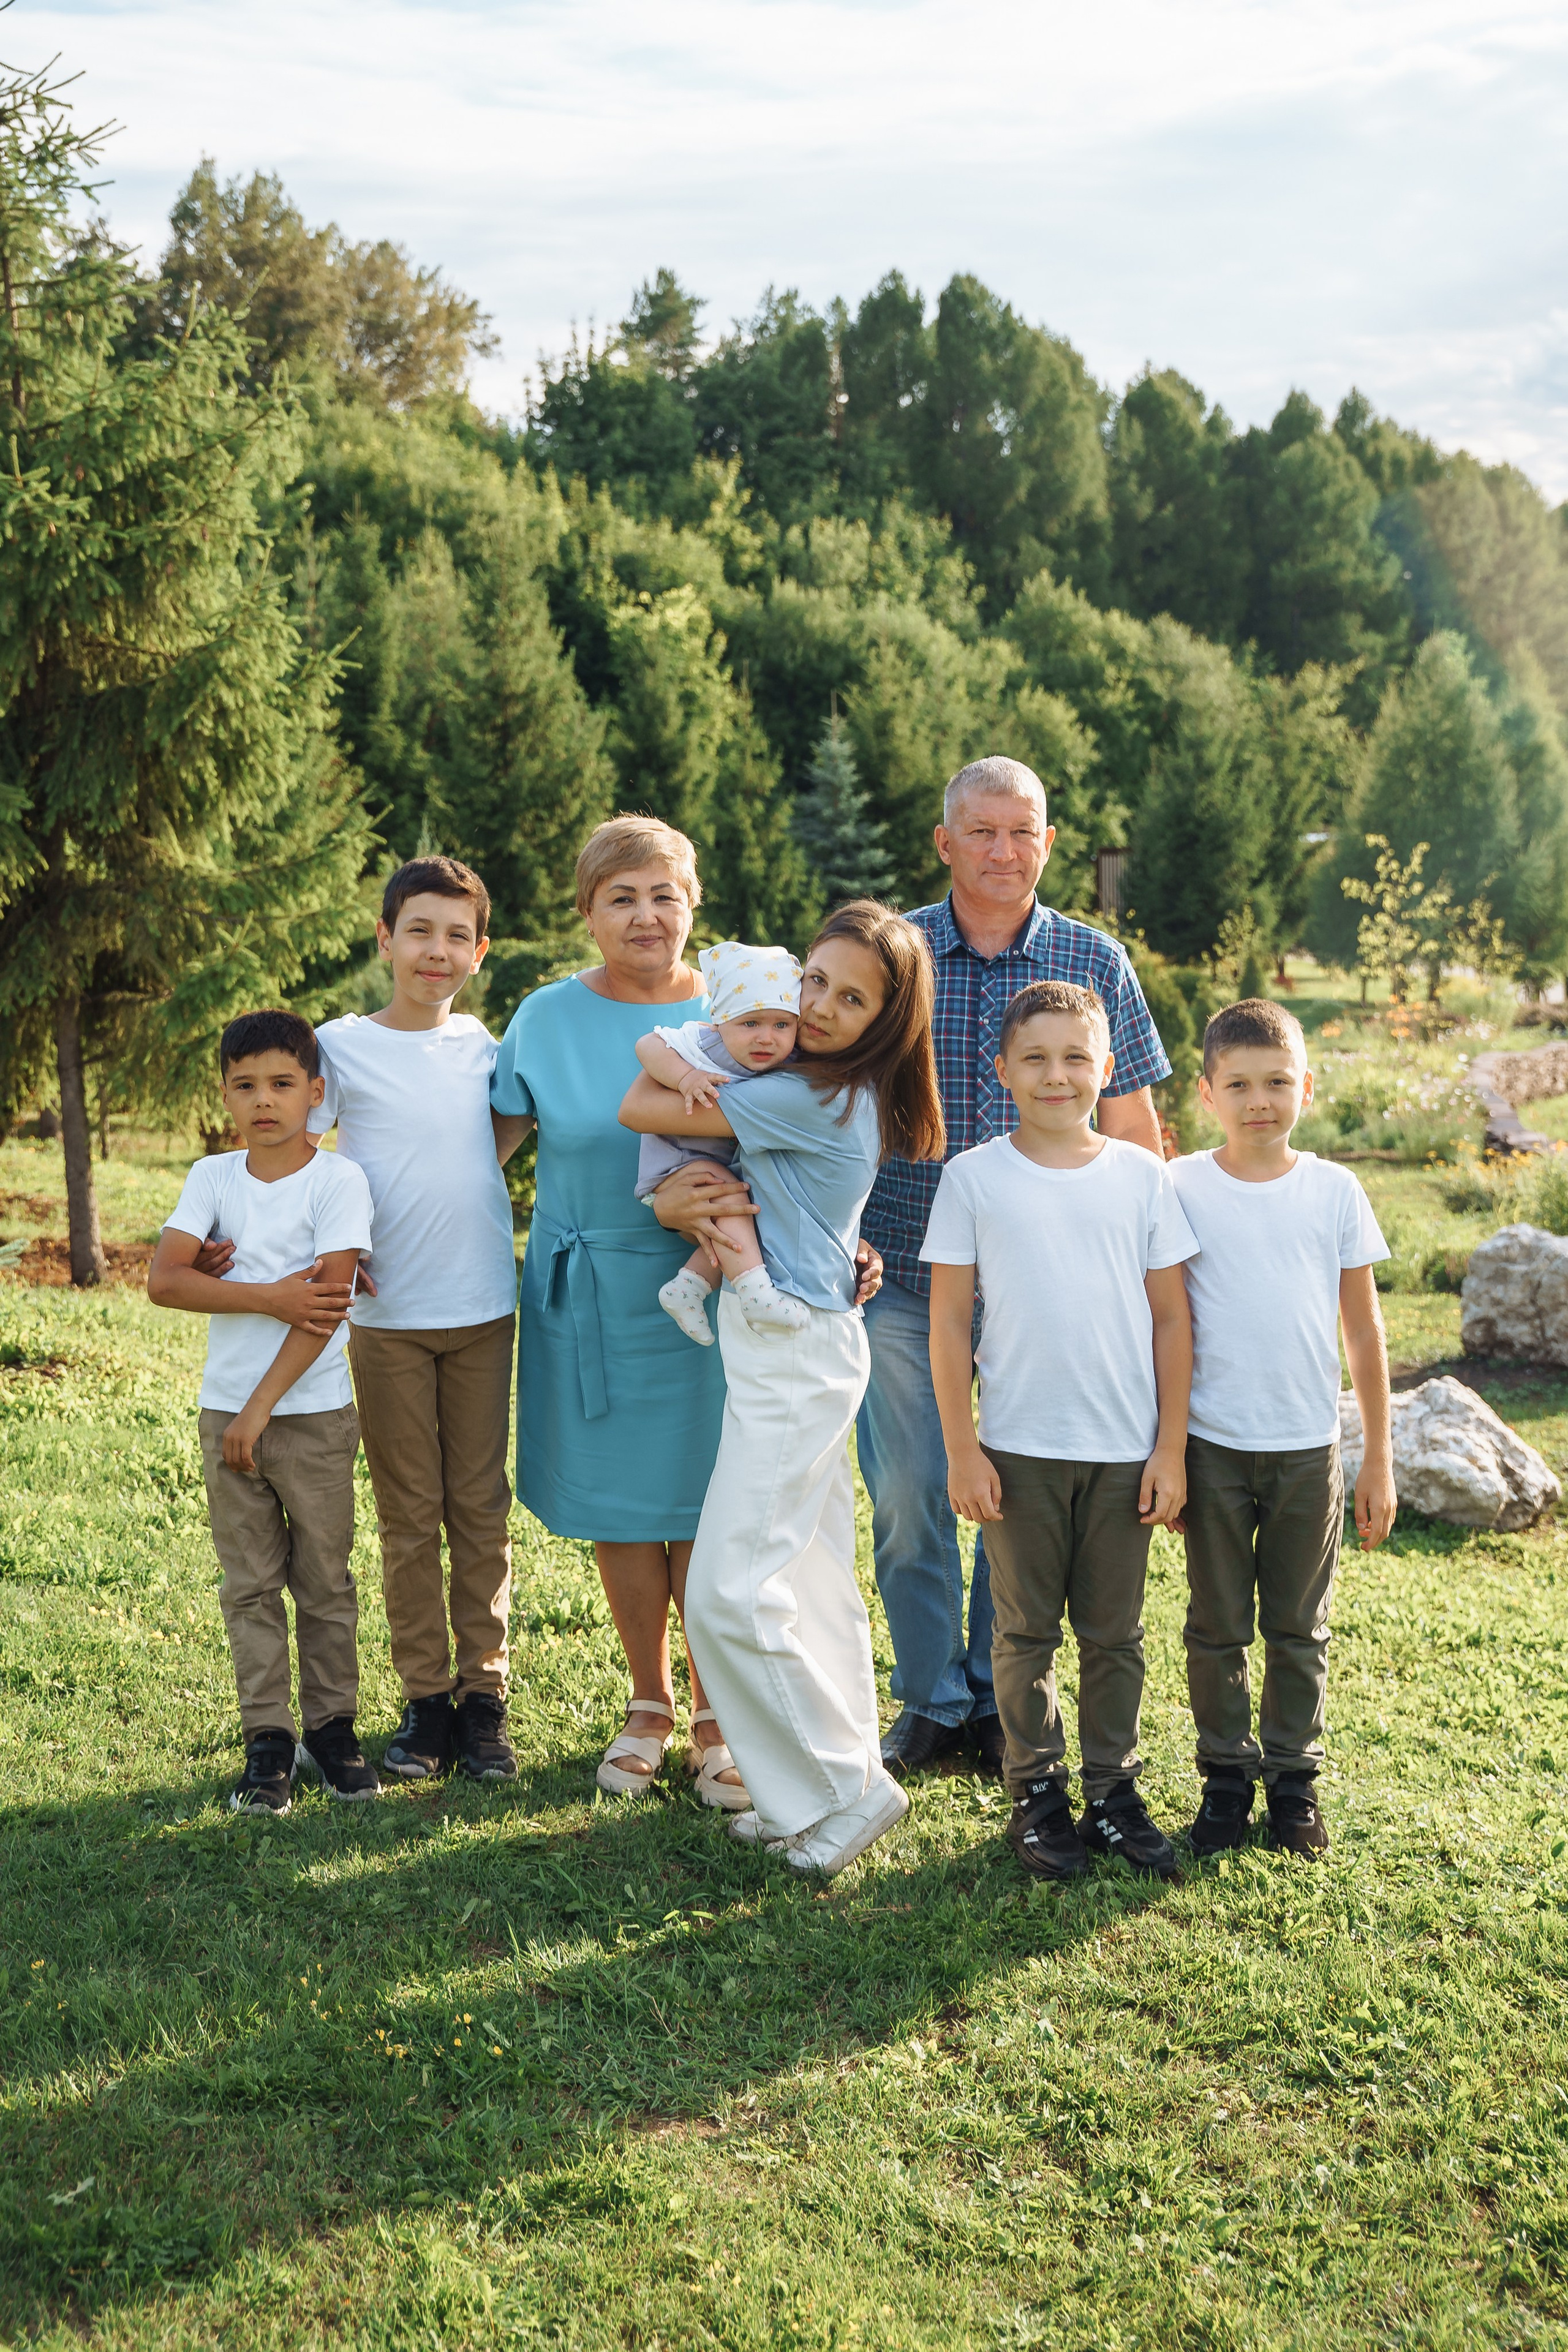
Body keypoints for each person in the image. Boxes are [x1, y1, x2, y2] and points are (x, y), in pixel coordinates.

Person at [858, 756, 1173, 1784]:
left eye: (1022, 831)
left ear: (1048, 840)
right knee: (912, 1494)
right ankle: (931, 1704)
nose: (1003, 851)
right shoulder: (895, 953)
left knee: (1022, 1498)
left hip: (1056, 1298)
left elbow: (1135, 1130)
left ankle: (1001, 1697)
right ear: (945, 842)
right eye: (982, 832)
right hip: (906, 1273)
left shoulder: (1095, 958)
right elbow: (832, 1095)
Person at [621, 900, 947, 1877]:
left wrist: (688, 1059)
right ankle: (798, 1789)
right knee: (806, 1579)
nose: (818, 1006)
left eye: (852, 998)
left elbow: (639, 1107)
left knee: (728, 1590)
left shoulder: (813, 1095)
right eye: (813, 980)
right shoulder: (815, 1082)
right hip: (797, 1340)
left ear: (887, 1019)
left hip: (797, 1351)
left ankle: (845, 1791)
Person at [489, 818, 744, 1809]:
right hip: (588, 1297)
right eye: (621, 897)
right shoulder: (545, 1017)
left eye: (663, 895)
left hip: (714, 1292)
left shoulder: (740, 1010)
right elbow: (483, 1152)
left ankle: (720, 1716)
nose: (645, 914)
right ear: (589, 910)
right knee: (626, 1514)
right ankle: (649, 1702)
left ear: (693, 905)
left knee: (713, 1508)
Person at [925, 980, 1196, 1883]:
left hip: (1125, 1454)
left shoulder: (1144, 1176)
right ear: (1002, 1071)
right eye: (1035, 1058)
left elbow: (1170, 1320)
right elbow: (950, 1322)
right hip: (1018, 1451)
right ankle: (1036, 1792)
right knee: (1026, 1631)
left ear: (1106, 1068)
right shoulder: (973, 1179)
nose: (1056, 1075)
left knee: (1116, 1634)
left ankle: (1114, 1792)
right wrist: (963, 1448)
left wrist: (1169, 1448)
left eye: (1076, 1057)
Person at [311, 856, 521, 1786]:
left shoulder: (484, 1046)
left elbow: (499, 1133)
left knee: (480, 1507)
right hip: (386, 1317)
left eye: (456, 937)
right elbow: (297, 1150)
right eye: (419, 931)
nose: (437, 952)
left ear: (480, 952)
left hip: (482, 1307)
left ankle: (486, 1702)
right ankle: (427, 1703)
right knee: (410, 1514)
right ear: (386, 939)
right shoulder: (341, 1045)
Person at [1170, 998, 1395, 1859]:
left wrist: (1376, 1459)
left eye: (1276, 1082)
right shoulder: (1181, 1184)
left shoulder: (1334, 1190)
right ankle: (1225, 1781)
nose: (1259, 1100)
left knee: (1299, 1626)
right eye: (1239, 1084)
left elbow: (1365, 1332)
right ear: (1207, 1093)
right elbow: (1160, 1320)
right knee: (1217, 1624)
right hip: (1212, 1447)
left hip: (1308, 1448)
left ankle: (1294, 1783)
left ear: (1307, 1083)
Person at [148, 1009, 376, 1815]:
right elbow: (165, 1281)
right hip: (226, 1414)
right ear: (226, 1096)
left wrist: (258, 1412)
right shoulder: (212, 1179)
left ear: (315, 1092)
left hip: (310, 1418)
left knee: (324, 1582)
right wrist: (267, 1294)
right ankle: (268, 1743)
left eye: (282, 1084)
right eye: (245, 1086)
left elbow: (326, 1309)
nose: (264, 1101)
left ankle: (333, 1730)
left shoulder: (337, 1182)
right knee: (249, 1587)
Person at [634, 940, 807, 1346]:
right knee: (725, 1192)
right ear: (720, 1021)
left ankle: (688, 1287)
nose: (766, 1037)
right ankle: (756, 1294)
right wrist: (684, 1077)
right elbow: (649, 1045)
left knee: (742, 1209)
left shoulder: (789, 1061)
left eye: (781, 1024)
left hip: (719, 1167)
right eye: (750, 1024)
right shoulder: (703, 1043)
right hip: (676, 1164)